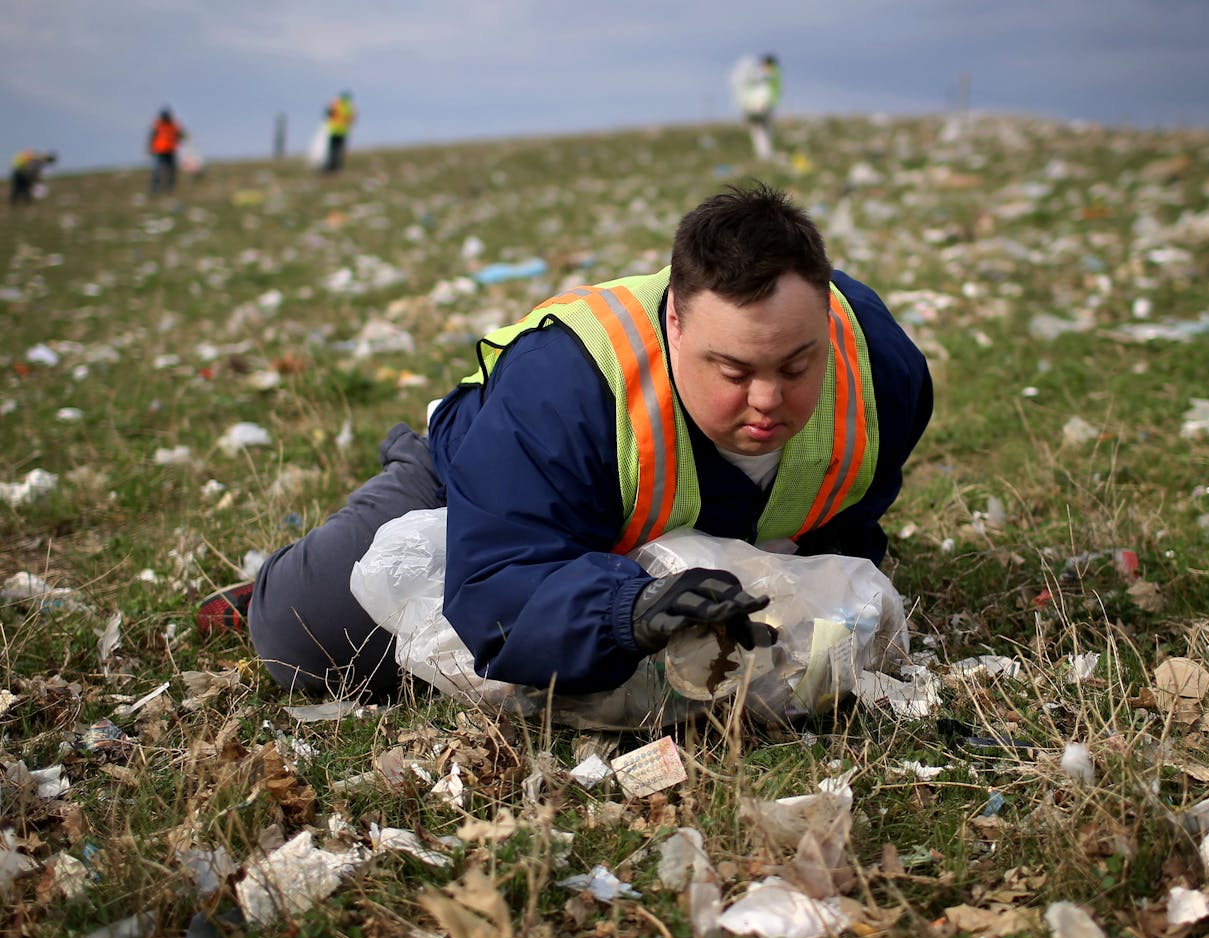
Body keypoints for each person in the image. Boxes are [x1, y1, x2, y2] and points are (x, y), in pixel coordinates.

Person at [200, 182, 933, 702]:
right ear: (675, 325)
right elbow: (500, 583)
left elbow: (850, 510)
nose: (769, 399)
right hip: (489, 490)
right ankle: (371, 494)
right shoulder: (559, 388)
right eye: (735, 370)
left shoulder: (882, 369)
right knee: (306, 641)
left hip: (657, 530)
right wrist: (627, 612)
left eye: (796, 365)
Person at [734, 54, 781, 161]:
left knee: (759, 129)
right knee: (764, 129)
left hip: (762, 105)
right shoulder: (775, 74)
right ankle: (766, 154)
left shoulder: (769, 74)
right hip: (766, 105)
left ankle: (764, 154)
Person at [148, 107, 185, 193]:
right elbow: (152, 137)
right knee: (157, 171)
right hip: (159, 151)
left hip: (170, 151)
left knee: (171, 171)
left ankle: (169, 189)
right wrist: (150, 148)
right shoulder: (158, 125)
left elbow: (180, 135)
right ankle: (154, 189)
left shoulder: (173, 125)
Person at [324, 91, 356, 172]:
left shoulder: (336, 105)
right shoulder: (350, 107)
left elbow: (328, 114)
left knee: (332, 150)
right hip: (343, 131)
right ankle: (337, 166)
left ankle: (331, 166)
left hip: (334, 130)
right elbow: (352, 119)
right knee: (339, 150)